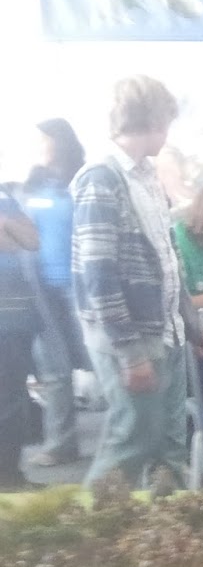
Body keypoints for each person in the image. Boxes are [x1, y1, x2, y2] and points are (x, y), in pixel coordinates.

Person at [73, 75, 203, 489]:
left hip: (165, 331)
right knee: (131, 441)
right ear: (154, 119)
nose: (168, 132)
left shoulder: (148, 176)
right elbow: (98, 274)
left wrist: (193, 325)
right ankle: (95, 526)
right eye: (167, 122)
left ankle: (170, 525)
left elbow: (169, 260)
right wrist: (130, 354)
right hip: (132, 336)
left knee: (170, 445)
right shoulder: (101, 178)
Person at [21, 118, 88, 467]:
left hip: (81, 288)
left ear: (60, 142)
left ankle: (131, 442)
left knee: (104, 362)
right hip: (42, 291)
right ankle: (61, 444)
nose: (38, 148)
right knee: (53, 369)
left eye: (43, 140)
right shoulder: (33, 186)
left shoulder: (83, 181)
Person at [0, 187, 43, 490]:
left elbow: (30, 241)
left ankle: (9, 475)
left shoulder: (5, 198)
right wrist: (8, 227)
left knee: (13, 398)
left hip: (15, 317)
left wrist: (6, 224)